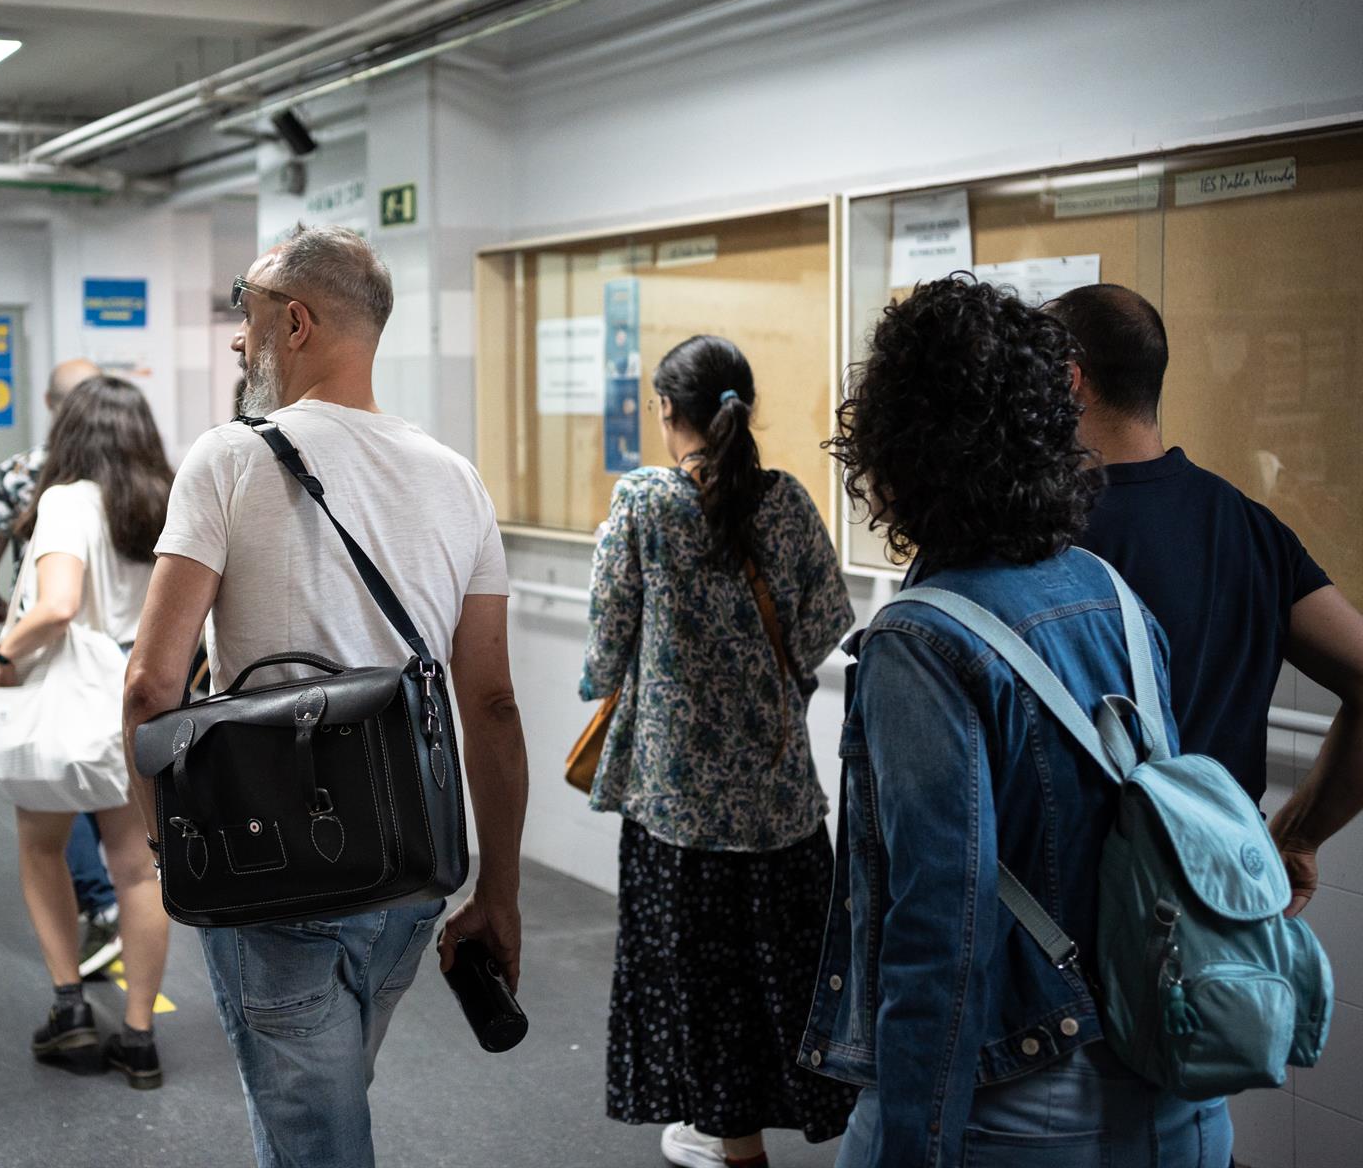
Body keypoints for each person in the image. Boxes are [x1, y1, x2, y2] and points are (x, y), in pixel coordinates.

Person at [122, 224, 530, 1167]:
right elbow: (493, 706)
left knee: (314, 1139)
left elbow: (150, 685)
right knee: (330, 1105)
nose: (239, 337)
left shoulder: (228, 460)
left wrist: (168, 848)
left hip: (271, 867)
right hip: (413, 868)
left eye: (248, 313)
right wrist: (499, 891)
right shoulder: (457, 480)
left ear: (296, 323)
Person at [803, 275, 1230, 1166]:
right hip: (1173, 1087)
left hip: (1023, 1105)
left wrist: (914, 1146)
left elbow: (942, 928)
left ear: (898, 449)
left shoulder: (922, 640)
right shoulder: (1111, 593)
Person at [581, 335, 856, 1168]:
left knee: (702, 987)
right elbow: (824, 626)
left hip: (679, 810)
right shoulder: (788, 499)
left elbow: (604, 654)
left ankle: (733, 1145)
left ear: (667, 410)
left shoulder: (644, 503)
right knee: (784, 981)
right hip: (780, 804)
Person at [1054, 283, 1363, 915]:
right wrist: (1300, 834)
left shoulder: (1045, 537)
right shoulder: (1248, 525)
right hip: (1224, 901)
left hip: (1090, 917)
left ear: (1068, 378)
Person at [0, 376, 174, 1083]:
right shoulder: (165, 499)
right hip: (143, 693)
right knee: (137, 867)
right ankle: (140, 1035)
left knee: (43, 848)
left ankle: (70, 1011)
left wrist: (3, 654)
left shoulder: (66, 501)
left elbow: (58, 605)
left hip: (74, 700)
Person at [0, 356, 122, 977]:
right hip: (125, 653)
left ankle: (94, 914)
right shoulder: (144, 476)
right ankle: (138, 1012)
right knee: (126, 827)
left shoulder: (27, 476)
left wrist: (0, 627)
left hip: (51, 648)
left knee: (54, 784)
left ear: (54, 406)